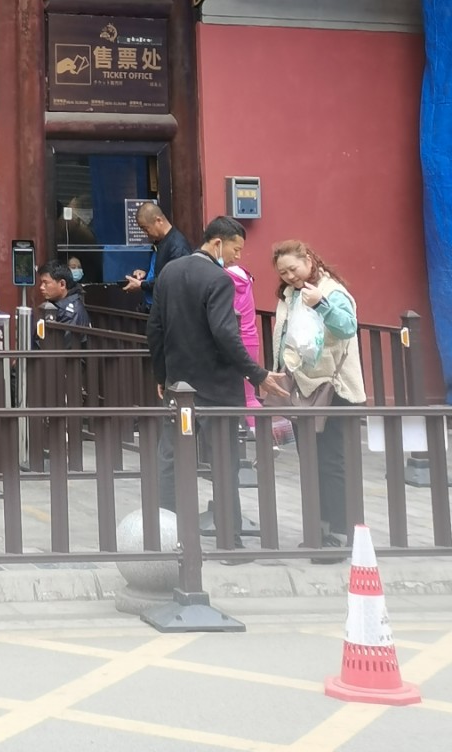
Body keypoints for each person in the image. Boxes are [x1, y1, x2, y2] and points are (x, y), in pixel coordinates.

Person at [147, 218, 288, 541]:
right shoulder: (218, 279)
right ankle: (228, 537)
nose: (238, 256)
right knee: (224, 462)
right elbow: (225, 333)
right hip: (217, 386)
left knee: (170, 459)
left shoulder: (168, 272)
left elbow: (154, 328)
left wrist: (161, 373)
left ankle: (167, 531)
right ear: (217, 243)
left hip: (178, 384)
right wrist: (257, 374)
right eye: (236, 249)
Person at [272, 238, 366, 550]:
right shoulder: (289, 295)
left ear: (309, 261)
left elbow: (347, 327)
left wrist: (321, 304)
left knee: (331, 461)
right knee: (310, 461)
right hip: (302, 388)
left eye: (293, 269)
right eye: (283, 272)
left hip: (334, 389)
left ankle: (339, 532)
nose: (290, 276)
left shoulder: (331, 291)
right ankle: (318, 529)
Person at [207, 216, 262, 410]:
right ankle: (259, 428)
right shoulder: (242, 275)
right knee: (249, 396)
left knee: (242, 399)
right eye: (236, 250)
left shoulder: (220, 277)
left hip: (235, 339)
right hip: (251, 338)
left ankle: (254, 426)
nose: (238, 256)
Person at [123, 201, 193, 305]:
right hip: (154, 305)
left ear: (158, 220)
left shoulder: (177, 246)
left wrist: (142, 285)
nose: (145, 234)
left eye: (145, 228)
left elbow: (174, 282)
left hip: (167, 308)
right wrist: (145, 275)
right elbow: (159, 272)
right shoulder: (159, 242)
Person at [37, 261, 92, 348]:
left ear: (62, 284)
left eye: (46, 283)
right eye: (41, 283)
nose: (41, 287)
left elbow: (62, 347)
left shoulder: (72, 313)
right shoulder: (55, 304)